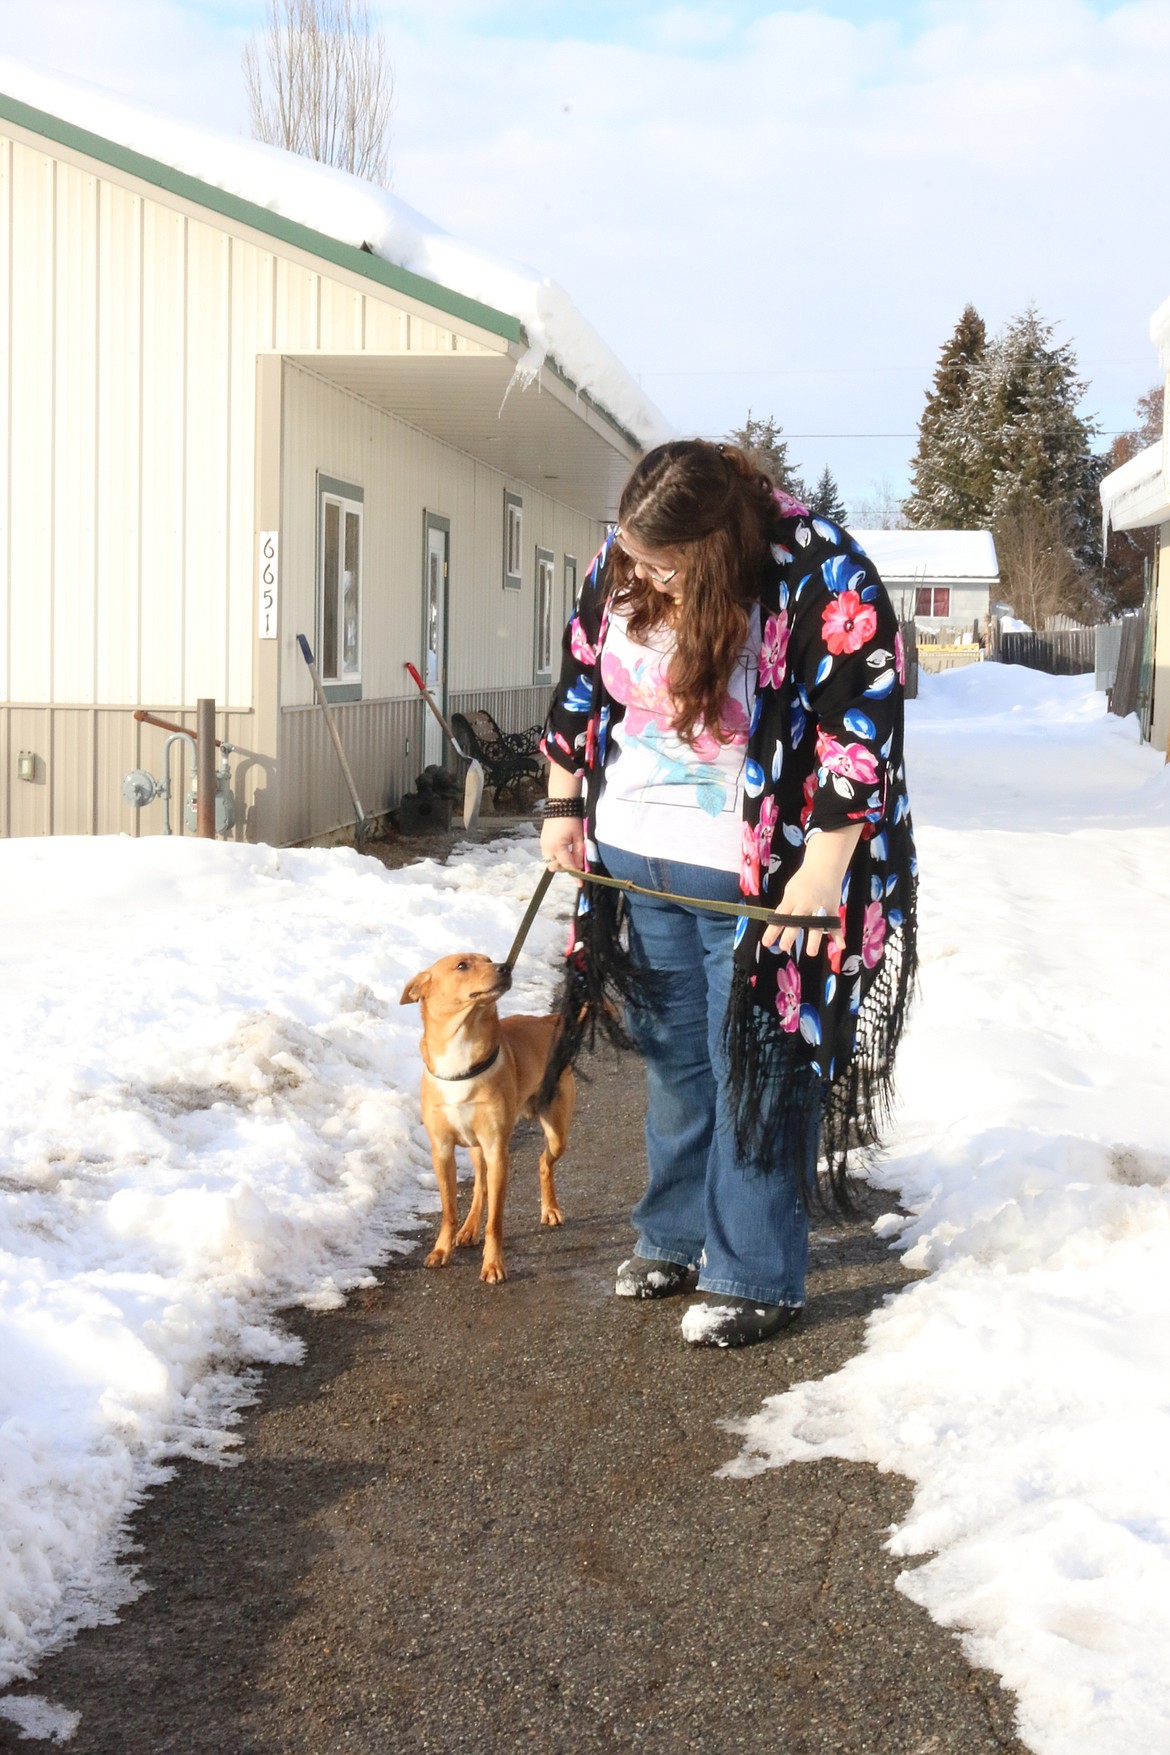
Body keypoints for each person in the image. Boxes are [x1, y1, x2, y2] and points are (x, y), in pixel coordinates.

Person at [540, 440, 917, 1349]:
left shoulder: (819, 568)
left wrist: (823, 869)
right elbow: (583, 678)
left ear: (714, 549)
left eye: (664, 565)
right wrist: (561, 803)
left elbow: (860, 726)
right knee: (676, 1059)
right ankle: (672, 1232)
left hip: (763, 881)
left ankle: (752, 1269)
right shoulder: (625, 558)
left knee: (756, 1062)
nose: (641, 576)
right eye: (632, 555)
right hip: (636, 860)